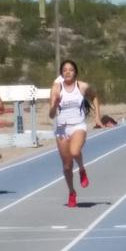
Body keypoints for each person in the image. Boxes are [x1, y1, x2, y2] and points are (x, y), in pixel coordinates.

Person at [49, 60, 102, 207]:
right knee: (66, 166)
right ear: (61, 73)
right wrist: (54, 104)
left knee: (74, 151)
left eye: (70, 70)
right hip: (61, 128)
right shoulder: (56, 89)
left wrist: (97, 117)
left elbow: (95, 96)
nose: (67, 72)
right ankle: (72, 192)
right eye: (64, 70)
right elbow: (51, 115)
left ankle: (82, 169)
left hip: (78, 125)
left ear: (75, 73)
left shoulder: (82, 86)